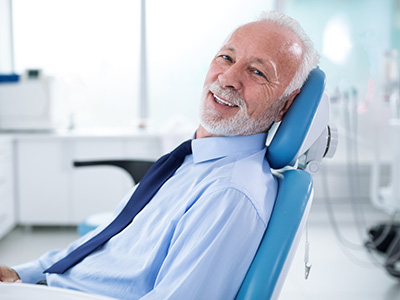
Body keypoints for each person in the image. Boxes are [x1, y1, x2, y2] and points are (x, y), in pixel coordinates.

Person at [0, 10, 319, 300]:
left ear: (286, 106)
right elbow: (109, 241)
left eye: (258, 73)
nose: (228, 79)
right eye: (226, 57)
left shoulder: (230, 192)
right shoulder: (191, 160)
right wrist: (23, 275)